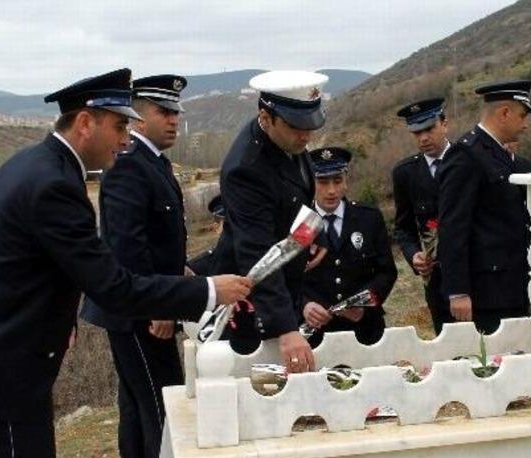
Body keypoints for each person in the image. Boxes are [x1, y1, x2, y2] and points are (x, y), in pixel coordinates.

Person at [0, 69, 251, 458]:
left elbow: (29, 267)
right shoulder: (53, 184)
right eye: (119, 126)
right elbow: (114, 287)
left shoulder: (37, 163)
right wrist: (206, 291)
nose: (125, 138)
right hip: (0, 376)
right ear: (85, 123)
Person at [78, 74, 192, 458]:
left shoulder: (153, 164)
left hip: (147, 305)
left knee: (138, 408)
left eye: (176, 111)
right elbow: (126, 247)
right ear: (138, 119)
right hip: (141, 314)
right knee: (162, 412)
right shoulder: (130, 166)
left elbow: (157, 240)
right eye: (164, 111)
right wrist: (159, 305)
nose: (174, 119)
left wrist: (180, 270)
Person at [193, 71, 328, 372]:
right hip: (249, 299)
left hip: (286, 279)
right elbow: (255, 250)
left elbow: (297, 199)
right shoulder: (246, 169)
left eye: (310, 126)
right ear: (266, 118)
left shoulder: (289, 143)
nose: (305, 136)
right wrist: (286, 328)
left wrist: (314, 235)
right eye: (296, 127)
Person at [437, 80, 531, 335]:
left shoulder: (497, 154)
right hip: (486, 291)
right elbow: (453, 227)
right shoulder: (467, 155)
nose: (525, 124)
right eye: (521, 115)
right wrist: (458, 291)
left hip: (511, 282)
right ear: (504, 113)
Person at [301, 147, 397, 347]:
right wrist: (303, 305)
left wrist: (365, 303)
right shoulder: (299, 222)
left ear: (346, 181)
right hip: (314, 334)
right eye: (323, 182)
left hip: (364, 329)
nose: (331, 190)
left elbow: (386, 272)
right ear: (311, 182)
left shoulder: (368, 218)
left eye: (337, 181)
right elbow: (284, 278)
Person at [391, 97, 455, 334]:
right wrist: (414, 255)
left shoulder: (468, 161)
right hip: (437, 280)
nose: (424, 138)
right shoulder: (405, 173)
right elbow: (403, 228)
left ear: (444, 124)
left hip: (475, 276)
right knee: (448, 348)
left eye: (429, 129)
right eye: (417, 133)